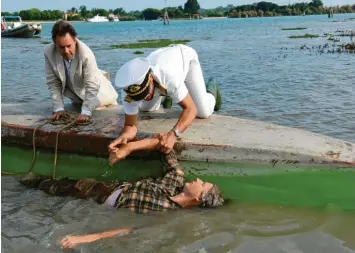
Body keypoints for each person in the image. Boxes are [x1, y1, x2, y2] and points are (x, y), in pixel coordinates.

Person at [20, 136, 224, 249]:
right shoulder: (175, 180)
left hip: (103, 201)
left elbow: (127, 230)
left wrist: (84, 239)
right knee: (49, 186)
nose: (198, 179)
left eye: (203, 183)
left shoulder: (167, 213)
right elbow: (164, 146)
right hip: (109, 188)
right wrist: (132, 147)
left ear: (199, 198)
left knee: (55, 191)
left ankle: (27, 185)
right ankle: (26, 182)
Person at [109, 44, 222, 154]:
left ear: (151, 79)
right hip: (160, 60)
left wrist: (173, 134)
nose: (145, 98)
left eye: (146, 94)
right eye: (139, 97)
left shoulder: (170, 77)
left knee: (203, 112)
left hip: (185, 57)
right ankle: (167, 96)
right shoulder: (128, 92)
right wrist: (124, 136)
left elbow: (191, 109)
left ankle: (211, 89)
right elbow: (130, 126)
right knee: (146, 109)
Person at [44, 20, 118, 123]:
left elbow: (92, 85)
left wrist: (86, 112)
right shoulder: (48, 52)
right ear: (55, 43)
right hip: (78, 100)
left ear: (75, 40)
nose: (66, 51)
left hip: (101, 97)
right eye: (61, 47)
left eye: (69, 46)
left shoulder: (86, 53)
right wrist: (58, 109)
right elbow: (53, 83)